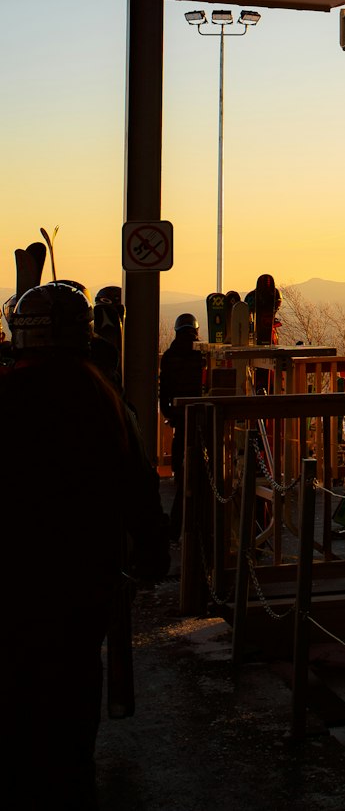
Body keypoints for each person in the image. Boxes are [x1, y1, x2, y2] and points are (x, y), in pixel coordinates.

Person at [0, 280, 169, 809]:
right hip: (87, 569)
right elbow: (138, 481)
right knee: (74, 675)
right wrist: (151, 550)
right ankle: (72, 775)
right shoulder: (103, 397)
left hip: (15, 572)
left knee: (18, 675)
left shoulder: (7, 393)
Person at [159, 311, 206, 541]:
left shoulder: (168, 355)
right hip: (201, 413)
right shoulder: (202, 354)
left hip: (179, 413)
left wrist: (168, 411)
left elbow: (164, 389)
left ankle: (178, 474)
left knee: (180, 446)